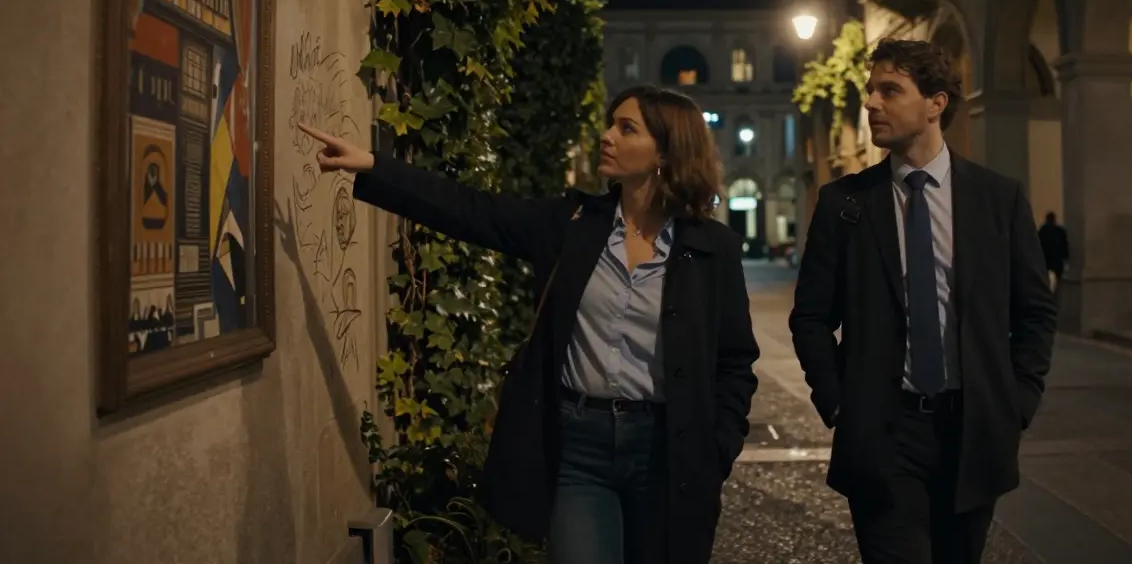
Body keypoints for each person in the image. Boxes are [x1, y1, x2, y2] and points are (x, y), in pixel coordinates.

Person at [298, 84, 759, 564]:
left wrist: (717, 451)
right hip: (578, 448)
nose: (606, 136)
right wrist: (376, 167)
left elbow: (735, 361)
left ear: (665, 149)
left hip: (669, 452)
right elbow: (475, 212)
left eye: (626, 128)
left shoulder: (712, 248)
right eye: (609, 123)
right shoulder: (574, 223)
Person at [789, 39, 1057, 563]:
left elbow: (1035, 311)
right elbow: (812, 317)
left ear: (936, 103)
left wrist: (1015, 402)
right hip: (884, 432)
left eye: (890, 90)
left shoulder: (997, 199)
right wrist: (839, 400)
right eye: (870, 91)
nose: (871, 104)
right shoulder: (846, 203)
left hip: (973, 431)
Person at [1037, 212, 1069, 292]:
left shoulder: (1042, 232)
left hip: (1045, 263)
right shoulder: (1060, 232)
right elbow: (1064, 247)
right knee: (1057, 287)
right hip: (1057, 263)